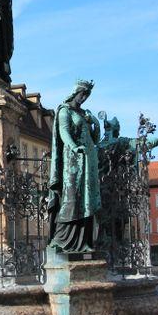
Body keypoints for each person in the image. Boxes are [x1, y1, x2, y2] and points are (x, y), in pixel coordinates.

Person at [47, 79, 101, 253]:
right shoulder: (65, 110)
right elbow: (64, 132)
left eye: (87, 95)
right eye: (82, 94)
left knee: (87, 200)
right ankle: (62, 239)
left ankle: (85, 241)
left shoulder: (84, 113)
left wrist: (95, 123)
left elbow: (95, 138)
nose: (84, 98)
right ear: (75, 92)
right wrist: (74, 146)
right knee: (72, 198)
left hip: (88, 160)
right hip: (73, 160)